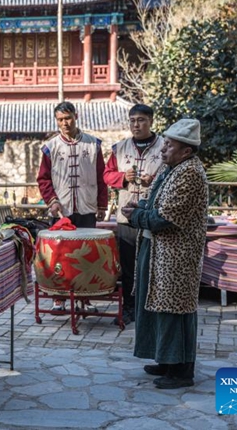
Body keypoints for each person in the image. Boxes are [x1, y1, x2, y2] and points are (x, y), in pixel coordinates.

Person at [121, 119, 207, 390]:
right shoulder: (172, 169)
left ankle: (181, 370)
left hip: (176, 256)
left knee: (173, 309)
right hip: (159, 251)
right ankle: (166, 359)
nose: (163, 149)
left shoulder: (190, 173)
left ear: (186, 151)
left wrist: (136, 216)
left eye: (169, 145)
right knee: (156, 305)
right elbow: (154, 203)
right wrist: (140, 205)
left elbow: (165, 218)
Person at [37, 101, 108, 311]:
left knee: (86, 255)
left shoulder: (93, 144)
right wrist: (52, 200)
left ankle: (85, 299)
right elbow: (43, 179)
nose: (64, 123)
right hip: (61, 211)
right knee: (59, 255)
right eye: (60, 120)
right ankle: (58, 298)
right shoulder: (51, 147)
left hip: (87, 207)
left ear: (76, 116)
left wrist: (102, 205)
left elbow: (101, 177)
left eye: (68, 118)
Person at [104, 104, 164, 325]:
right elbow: (107, 175)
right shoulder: (119, 148)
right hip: (127, 216)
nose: (136, 125)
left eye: (141, 120)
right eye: (132, 120)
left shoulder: (165, 147)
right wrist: (122, 177)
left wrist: (154, 180)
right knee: (128, 264)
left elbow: (170, 174)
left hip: (152, 215)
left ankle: (152, 308)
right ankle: (129, 308)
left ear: (150, 121)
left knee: (152, 263)